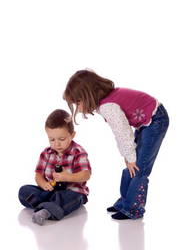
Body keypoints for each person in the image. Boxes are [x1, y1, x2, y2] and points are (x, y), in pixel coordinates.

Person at [63, 69, 169, 220]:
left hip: (156, 120)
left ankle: (133, 209)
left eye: (77, 103)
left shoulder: (108, 107)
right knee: (132, 166)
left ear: (88, 96)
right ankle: (125, 203)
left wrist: (130, 157)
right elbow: (122, 133)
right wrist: (128, 156)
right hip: (147, 122)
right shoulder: (106, 102)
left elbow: (123, 132)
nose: (78, 109)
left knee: (139, 168)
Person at [18, 109, 91, 225]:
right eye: (52, 139)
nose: (56, 144)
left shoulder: (78, 152)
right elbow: (38, 175)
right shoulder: (46, 153)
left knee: (72, 198)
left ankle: (47, 210)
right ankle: (49, 207)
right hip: (50, 192)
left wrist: (67, 177)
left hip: (71, 192)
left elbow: (86, 174)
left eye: (61, 139)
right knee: (24, 191)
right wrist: (43, 184)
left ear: (72, 135)